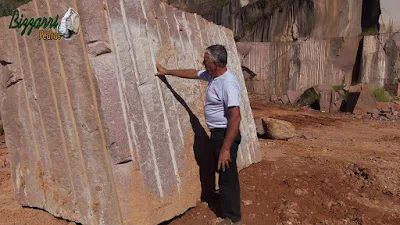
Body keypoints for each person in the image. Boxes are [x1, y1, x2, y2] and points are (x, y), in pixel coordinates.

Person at [155, 45, 242, 225]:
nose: (203, 64)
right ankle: (219, 201)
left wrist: (226, 148)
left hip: (226, 135)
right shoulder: (213, 76)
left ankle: (233, 218)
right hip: (218, 134)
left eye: (206, 61)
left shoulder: (228, 83)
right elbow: (193, 73)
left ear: (215, 63)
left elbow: (236, 116)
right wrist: (167, 72)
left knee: (227, 176)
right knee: (219, 170)